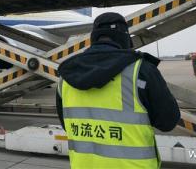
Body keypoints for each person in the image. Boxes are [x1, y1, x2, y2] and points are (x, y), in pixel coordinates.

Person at [56, 12, 180, 169]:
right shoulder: (141, 71)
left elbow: (67, 124)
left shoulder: (66, 76)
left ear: (94, 38)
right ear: (124, 38)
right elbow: (168, 121)